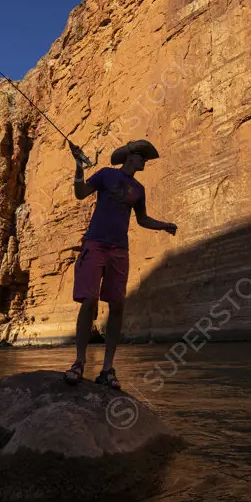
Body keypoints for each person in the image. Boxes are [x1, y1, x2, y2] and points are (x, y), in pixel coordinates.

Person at [63, 139, 177, 389]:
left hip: (119, 251)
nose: (145, 161)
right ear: (130, 157)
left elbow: (142, 219)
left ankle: (107, 369)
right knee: (89, 301)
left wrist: (164, 225)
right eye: (142, 157)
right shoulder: (105, 175)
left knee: (117, 306)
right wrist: (79, 167)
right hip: (94, 244)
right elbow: (80, 194)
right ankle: (79, 362)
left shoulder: (139, 189)